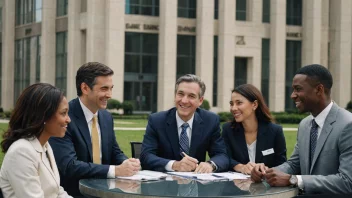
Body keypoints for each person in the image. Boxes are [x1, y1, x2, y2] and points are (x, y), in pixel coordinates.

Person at [251, 64, 352, 195]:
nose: (293, 95)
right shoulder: (305, 124)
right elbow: (294, 164)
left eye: (298, 89)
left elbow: (347, 181)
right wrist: (265, 172)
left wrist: (294, 180)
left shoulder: (348, 125)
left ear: (319, 89)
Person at [49, 62, 140, 197]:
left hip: (106, 192)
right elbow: (69, 166)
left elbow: (114, 151)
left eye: (111, 88)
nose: (109, 95)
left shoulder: (106, 117)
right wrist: (115, 170)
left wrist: (126, 162)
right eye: (104, 89)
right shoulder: (64, 117)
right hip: (74, 194)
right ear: (85, 88)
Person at [140, 74, 228, 173]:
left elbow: (222, 155)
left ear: (200, 100)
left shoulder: (210, 121)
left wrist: (210, 165)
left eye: (191, 96)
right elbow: (146, 157)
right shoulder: (157, 120)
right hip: (164, 185)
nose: (184, 100)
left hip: (196, 184)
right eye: (180, 94)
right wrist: (175, 165)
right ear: (175, 95)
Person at [0, 83, 72, 198]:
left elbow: (57, 192)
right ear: (44, 116)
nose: (69, 119)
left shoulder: (45, 146)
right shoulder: (22, 152)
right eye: (63, 113)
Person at [222, 84, 286, 174]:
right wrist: (241, 167)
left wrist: (265, 169)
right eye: (231, 104)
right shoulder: (228, 129)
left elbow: (282, 164)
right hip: (236, 185)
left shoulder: (275, 131)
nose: (233, 108)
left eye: (239, 103)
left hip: (266, 185)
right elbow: (224, 158)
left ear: (254, 105)